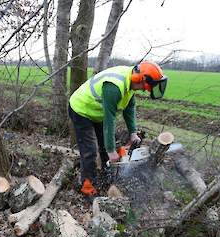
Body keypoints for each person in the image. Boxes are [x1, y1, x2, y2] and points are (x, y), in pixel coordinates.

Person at [68, 61, 168, 196]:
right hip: (81, 109)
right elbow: (109, 120)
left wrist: (133, 132)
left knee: (106, 146)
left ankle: (105, 176)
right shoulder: (114, 87)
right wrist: (111, 151)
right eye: (145, 87)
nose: (144, 90)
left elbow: (130, 107)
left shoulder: (130, 82)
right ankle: (87, 187)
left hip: (97, 112)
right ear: (142, 79)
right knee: (90, 150)